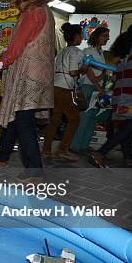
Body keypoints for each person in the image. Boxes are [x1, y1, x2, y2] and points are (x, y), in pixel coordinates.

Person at [0, 0, 57, 181]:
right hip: (38, 75)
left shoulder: (33, 11)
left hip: (28, 76)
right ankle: (1, 156)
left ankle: (35, 170)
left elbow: (17, 45)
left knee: (24, 121)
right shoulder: (46, 12)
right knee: (19, 118)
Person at [89, 21, 132, 168]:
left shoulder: (124, 52)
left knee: (126, 127)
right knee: (130, 127)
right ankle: (100, 153)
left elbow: (114, 77)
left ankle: (128, 159)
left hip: (119, 96)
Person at [41, 23, 85, 161]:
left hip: (54, 87)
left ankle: (46, 150)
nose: (82, 37)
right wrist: (82, 69)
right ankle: (63, 150)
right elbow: (73, 72)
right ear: (77, 36)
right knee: (74, 119)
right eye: (81, 34)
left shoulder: (61, 52)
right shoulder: (76, 52)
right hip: (65, 88)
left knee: (55, 120)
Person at [70, 27, 110, 153]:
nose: (107, 38)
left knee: (92, 118)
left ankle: (84, 145)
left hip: (97, 88)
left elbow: (101, 73)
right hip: (89, 87)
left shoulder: (101, 53)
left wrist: (101, 85)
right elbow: (89, 72)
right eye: (104, 35)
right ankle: (75, 145)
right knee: (84, 117)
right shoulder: (88, 51)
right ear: (97, 36)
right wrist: (99, 86)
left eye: (107, 36)